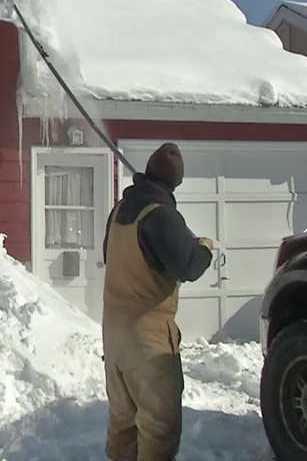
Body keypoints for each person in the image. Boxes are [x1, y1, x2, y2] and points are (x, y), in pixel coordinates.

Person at [102, 142, 215, 461]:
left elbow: (110, 255)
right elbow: (187, 267)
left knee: (123, 422)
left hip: (114, 338)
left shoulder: (120, 211)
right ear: (175, 183)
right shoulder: (162, 216)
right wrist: (204, 247)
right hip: (147, 340)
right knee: (158, 427)